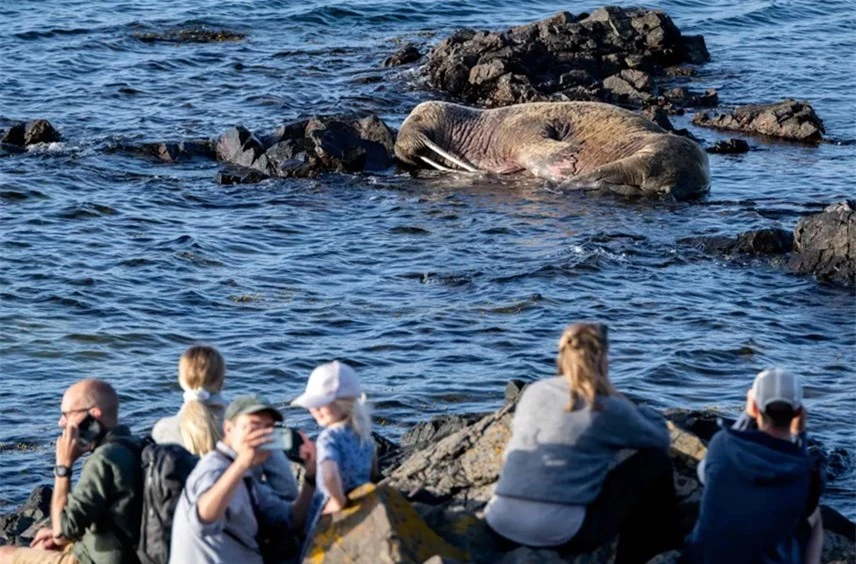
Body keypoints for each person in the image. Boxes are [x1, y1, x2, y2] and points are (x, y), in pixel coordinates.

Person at [484, 322, 678, 564]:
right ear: (603, 359)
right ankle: (646, 557)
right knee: (655, 463)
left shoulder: (534, 391)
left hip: (500, 523)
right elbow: (660, 439)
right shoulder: (605, 405)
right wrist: (626, 402)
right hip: (561, 533)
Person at [684, 368, 824, 563]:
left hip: (705, 558)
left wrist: (747, 417)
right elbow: (799, 471)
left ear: (755, 407)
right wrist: (799, 435)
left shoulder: (721, 444)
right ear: (798, 412)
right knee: (815, 517)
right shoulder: (807, 471)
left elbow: (703, 475)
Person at [0, 379, 142, 564]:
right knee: (44, 543)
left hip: (96, 559)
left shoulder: (102, 460)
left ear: (94, 416)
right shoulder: (137, 445)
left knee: (4, 554)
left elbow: (60, 532)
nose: (61, 423)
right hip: (126, 551)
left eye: (67, 415)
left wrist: (63, 466)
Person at [169, 395, 317, 564]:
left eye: (268, 428)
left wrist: (311, 478)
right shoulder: (213, 469)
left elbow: (291, 519)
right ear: (228, 429)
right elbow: (202, 520)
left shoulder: (247, 479)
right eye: (253, 427)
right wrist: (241, 464)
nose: (261, 436)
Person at [151, 344, 299, 500]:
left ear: (181, 381)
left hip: (182, 518)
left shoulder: (161, 430)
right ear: (222, 381)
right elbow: (287, 490)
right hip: (241, 517)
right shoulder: (252, 429)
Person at [291, 361, 375, 529]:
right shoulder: (362, 434)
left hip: (332, 505)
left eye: (320, 404)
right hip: (360, 499)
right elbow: (371, 470)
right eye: (312, 405)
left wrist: (338, 501)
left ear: (342, 403)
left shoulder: (328, 438)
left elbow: (329, 475)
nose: (314, 410)